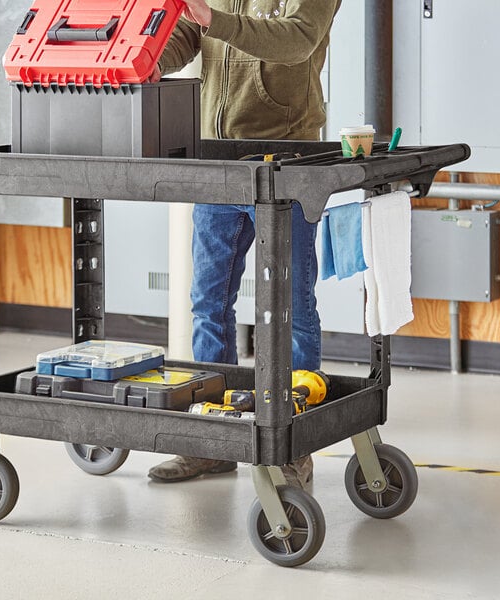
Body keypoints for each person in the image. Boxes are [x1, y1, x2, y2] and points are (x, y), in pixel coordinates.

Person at [147, 0, 341, 488]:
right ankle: (213, 440)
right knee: (208, 304)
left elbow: (297, 40)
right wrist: (147, 57)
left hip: (287, 159)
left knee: (291, 306)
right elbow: (188, 37)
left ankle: (292, 446)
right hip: (218, 161)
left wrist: (216, 19)